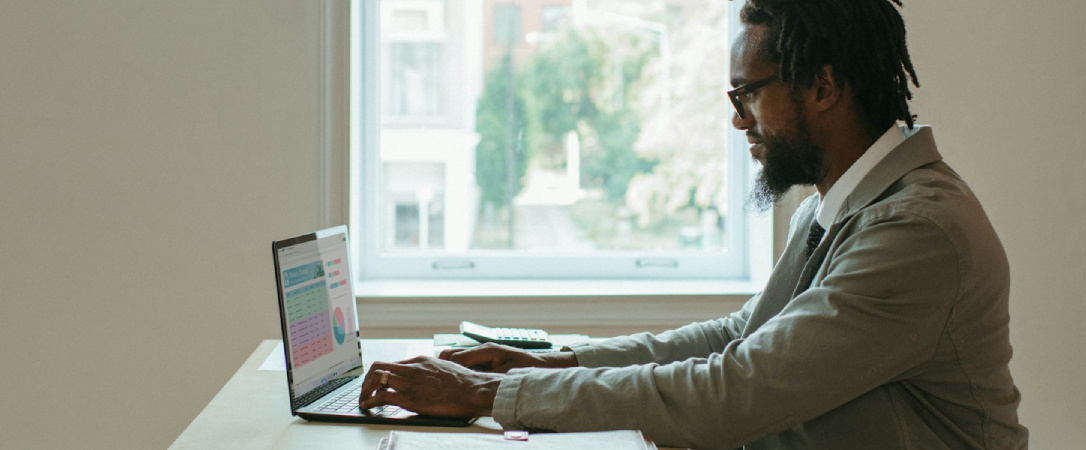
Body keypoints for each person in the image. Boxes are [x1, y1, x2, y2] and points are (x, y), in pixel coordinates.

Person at [358, 0, 1029, 448]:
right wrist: (552, 361)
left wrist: (501, 394)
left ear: (823, 87)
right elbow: (742, 335)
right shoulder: (847, 200)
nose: (738, 119)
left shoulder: (915, 234)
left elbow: (735, 389)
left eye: (747, 94)